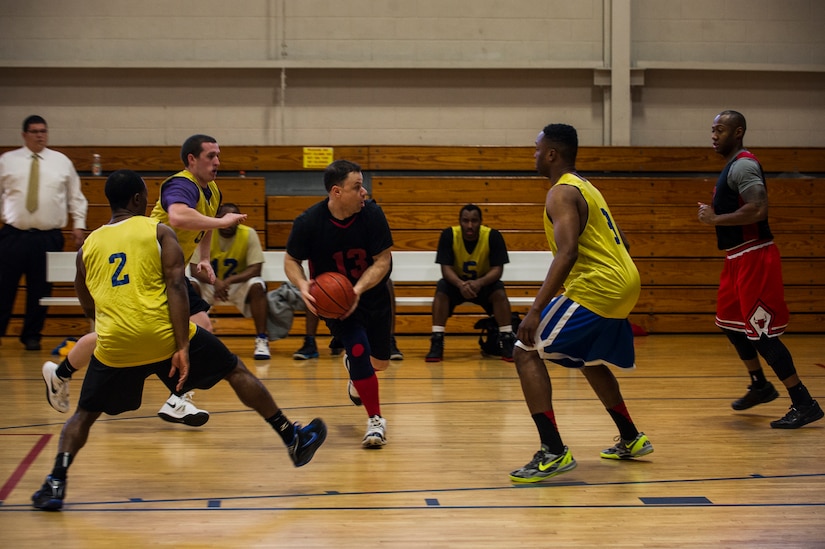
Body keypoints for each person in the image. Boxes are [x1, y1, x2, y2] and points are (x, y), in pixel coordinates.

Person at [31, 170, 326, 511]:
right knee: (235, 371)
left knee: (83, 415)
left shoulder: (88, 247)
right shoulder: (159, 231)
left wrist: (116, 327)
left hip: (116, 344)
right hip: (165, 336)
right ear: (139, 200)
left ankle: (56, 482)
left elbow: (86, 301)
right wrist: (183, 347)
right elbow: (176, 287)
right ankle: (292, 437)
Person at [41, 134, 246, 426]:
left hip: (170, 271)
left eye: (218, 155)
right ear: (191, 160)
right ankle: (178, 399)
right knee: (189, 328)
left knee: (130, 333)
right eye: (210, 156)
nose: (217, 162)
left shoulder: (212, 189)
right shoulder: (181, 184)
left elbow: (205, 221)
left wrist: (203, 258)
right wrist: (223, 222)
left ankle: (59, 374)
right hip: (152, 268)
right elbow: (178, 217)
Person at [509, 123, 653, 484]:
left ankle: (553, 451)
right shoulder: (586, 187)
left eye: (537, 148)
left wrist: (536, 309)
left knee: (525, 351)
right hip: (624, 281)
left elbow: (568, 252)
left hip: (599, 286)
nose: (534, 154)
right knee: (590, 358)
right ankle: (632, 438)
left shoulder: (560, 193)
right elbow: (621, 244)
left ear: (552, 154)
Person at [698, 110, 822, 429]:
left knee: (762, 334)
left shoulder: (744, 165)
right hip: (736, 258)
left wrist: (715, 220)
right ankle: (760, 385)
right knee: (730, 323)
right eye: (712, 130)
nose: (714, 135)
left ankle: (803, 402)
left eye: (720, 130)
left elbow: (758, 208)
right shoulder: (732, 166)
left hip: (755, 258)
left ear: (738, 132)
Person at [284, 159, 393, 448]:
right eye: (357, 187)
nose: (364, 192)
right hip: (337, 305)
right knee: (357, 347)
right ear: (337, 192)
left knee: (378, 362)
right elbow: (290, 260)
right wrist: (303, 284)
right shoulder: (308, 222)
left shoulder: (372, 215)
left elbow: (384, 260)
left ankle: (357, 372)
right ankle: (376, 421)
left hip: (373, 295)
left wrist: (356, 289)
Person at [0, 115, 88, 351]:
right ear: (24, 134)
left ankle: (32, 335)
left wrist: (78, 223)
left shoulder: (61, 161)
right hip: (13, 234)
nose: (40, 135)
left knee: (40, 289)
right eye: (34, 131)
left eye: (43, 131)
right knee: (4, 287)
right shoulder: (7, 161)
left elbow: (75, 196)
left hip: (47, 236)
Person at [425, 204, 516, 362]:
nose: (469, 225)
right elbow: (446, 269)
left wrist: (479, 283)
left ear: (481, 221)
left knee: (499, 291)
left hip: (484, 284)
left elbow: (497, 270)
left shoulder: (492, 236)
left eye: (474, 221)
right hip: (456, 284)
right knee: (442, 288)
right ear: (460, 221)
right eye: (465, 221)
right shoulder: (449, 234)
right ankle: (437, 340)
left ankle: (507, 339)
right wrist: (461, 284)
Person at [189, 202, 271, 360]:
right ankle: (196, 342)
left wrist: (229, 281)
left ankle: (262, 339)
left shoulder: (249, 233)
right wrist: (216, 282)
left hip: (235, 285)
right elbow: (194, 269)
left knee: (258, 285)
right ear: (218, 218)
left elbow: (256, 269)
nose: (230, 222)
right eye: (226, 218)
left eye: (234, 219)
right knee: (191, 285)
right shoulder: (206, 232)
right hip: (210, 284)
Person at [294, 279, 403, 361]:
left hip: (361, 273)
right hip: (335, 272)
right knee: (316, 288)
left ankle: (389, 341)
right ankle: (310, 342)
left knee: (386, 282)